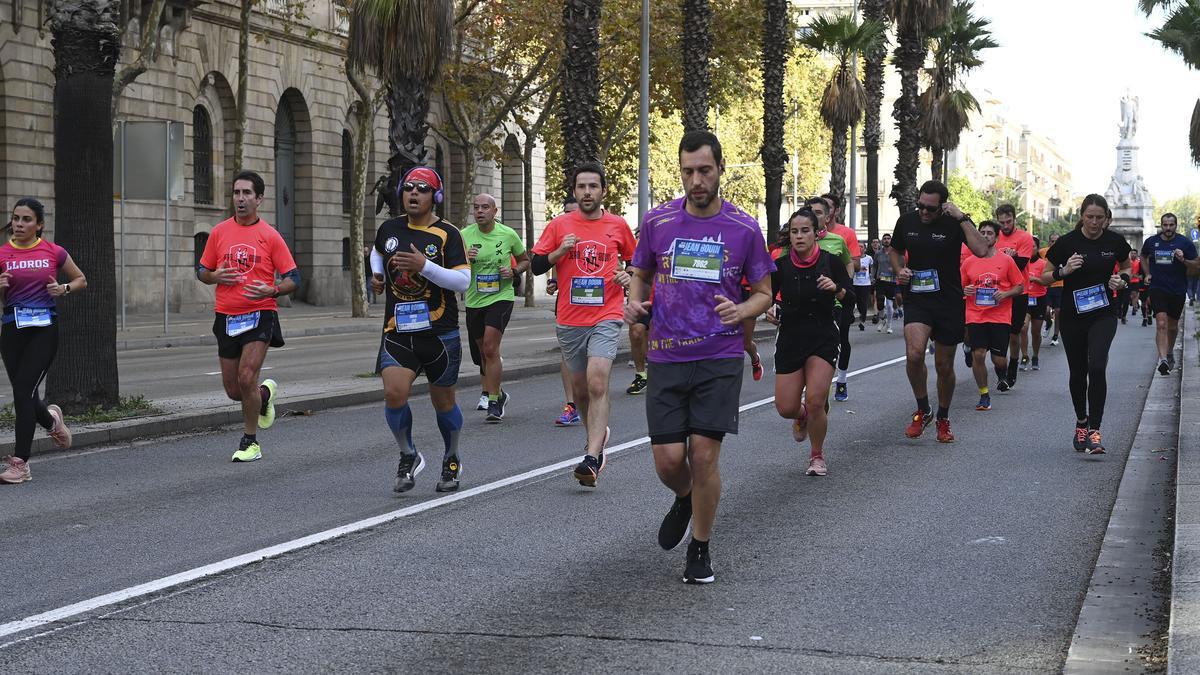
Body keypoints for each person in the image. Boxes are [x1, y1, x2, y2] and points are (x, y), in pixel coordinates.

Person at [626, 130, 774, 584]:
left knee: (705, 456)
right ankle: (687, 496)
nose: (696, 180)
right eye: (688, 171)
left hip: (719, 354)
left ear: (720, 170)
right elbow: (641, 274)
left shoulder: (744, 228)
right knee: (670, 461)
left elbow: (764, 293)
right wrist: (635, 305)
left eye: (704, 171)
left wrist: (742, 308)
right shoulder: (658, 222)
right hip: (667, 354)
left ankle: (700, 547)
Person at [532, 161, 637, 487]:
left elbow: (638, 263)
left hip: (606, 315)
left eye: (593, 186)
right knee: (580, 392)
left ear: (603, 190)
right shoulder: (560, 225)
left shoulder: (617, 225)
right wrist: (558, 252)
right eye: (582, 187)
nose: (587, 192)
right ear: (575, 192)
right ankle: (598, 431)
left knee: (596, 382)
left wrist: (628, 275)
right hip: (569, 320)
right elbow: (535, 265)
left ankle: (592, 457)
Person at [370, 166, 470, 493]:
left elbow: (462, 280)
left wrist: (423, 266)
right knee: (393, 394)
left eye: (422, 189)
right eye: (409, 188)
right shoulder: (389, 228)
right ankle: (408, 454)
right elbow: (376, 251)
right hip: (398, 331)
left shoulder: (448, 234)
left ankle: (451, 458)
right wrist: (378, 276)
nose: (414, 193)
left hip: (439, 333)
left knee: (443, 403)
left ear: (435, 197)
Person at [197, 170, 299, 463]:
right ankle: (264, 396)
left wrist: (274, 289)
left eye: (247, 194)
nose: (240, 199)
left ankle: (250, 441)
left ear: (259, 199)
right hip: (226, 316)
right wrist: (214, 275)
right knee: (234, 390)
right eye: (236, 193)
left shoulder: (270, 236)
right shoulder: (219, 232)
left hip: (260, 313)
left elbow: (294, 277)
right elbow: (202, 271)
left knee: (246, 377)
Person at [888, 180, 988, 443]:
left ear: (943, 206)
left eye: (930, 209)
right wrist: (900, 270)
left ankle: (943, 417)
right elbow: (895, 251)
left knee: (944, 365)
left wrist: (962, 217)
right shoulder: (907, 222)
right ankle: (923, 409)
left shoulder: (954, 223)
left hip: (948, 300)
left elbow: (980, 249)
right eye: (921, 206)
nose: (924, 212)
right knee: (914, 353)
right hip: (918, 298)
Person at [1039, 194, 1132, 455]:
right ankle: (1082, 421)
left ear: (1106, 218)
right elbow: (1042, 277)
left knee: (1098, 365)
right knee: (1078, 371)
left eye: (1099, 218)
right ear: (1082, 216)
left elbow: (1126, 265)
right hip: (1072, 316)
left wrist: (1122, 279)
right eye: (1089, 217)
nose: (1094, 222)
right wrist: (1063, 271)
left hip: (1103, 313)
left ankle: (1095, 430)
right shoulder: (1067, 242)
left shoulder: (1114, 241)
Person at [0, 198, 85, 484]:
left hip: (44, 331)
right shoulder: (2, 253)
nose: (19, 224)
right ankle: (51, 421)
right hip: (13, 330)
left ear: (39, 225)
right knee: (26, 392)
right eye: (16, 218)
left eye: (26, 219)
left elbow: (80, 280)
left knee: (23, 393)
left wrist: (63, 288)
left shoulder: (53, 251)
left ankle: (20, 463)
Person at [770, 207, 851, 476]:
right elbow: (765, 296)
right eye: (794, 231)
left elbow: (853, 296)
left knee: (817, 399)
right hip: (791, 336)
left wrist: (837, 289)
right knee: (786, 408)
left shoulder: (830, 262)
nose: (799, 236)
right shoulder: (780, 266)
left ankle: (817, 456)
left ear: (817, 233)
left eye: (805, 231)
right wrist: (769, 310)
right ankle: (801, 415)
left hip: (822, 335)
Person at [462, 193, 529, 421]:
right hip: (474, 299)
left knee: (491, 348)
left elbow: (525, 260)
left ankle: (493, 402)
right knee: (483, 352)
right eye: (476, 208)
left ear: (494, 211)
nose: (479, 211)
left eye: (484, 207)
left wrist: (514, 271)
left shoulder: (508, 234)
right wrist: (465, 260)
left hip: (501, 296)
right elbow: (451, 266)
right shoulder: (464, 236)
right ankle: (498, 394)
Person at [961, 220, 1025, 412]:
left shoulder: (1006, 261)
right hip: (976, 315)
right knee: (978, 355)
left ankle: (1002, 373)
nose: (986, 236)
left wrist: (1005, 294)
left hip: (1000, 317)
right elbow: (960, 287)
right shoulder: (969, 262)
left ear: (997, 238)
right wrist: (966, 290)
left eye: (990, 233)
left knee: (999, 360)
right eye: (982, 233)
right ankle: (984, 394)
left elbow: (1020, 286)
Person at [805, 197, 854, 401]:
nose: (814, 216)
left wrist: (844, 286)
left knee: (840, 341)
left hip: (835, 304)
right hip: (806, 304)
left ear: (827, 217)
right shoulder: (798, 239)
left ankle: (840, 380)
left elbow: (849, 263)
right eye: (810, 212)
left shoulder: (837, 240)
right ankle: (815, 390)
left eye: (818, 213)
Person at [1141, 212, 1199, 374]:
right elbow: (1143, 256)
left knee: (1172, 327)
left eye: (1171, 225)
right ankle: (1163, 360)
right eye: (1165, 225)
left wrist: (1183, 260)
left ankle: (1169, 352)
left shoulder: (1184, 243)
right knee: (1161, 324)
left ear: (1175, 225)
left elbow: (1196, 265)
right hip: (1157, 287)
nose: (1168, 228)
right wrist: (1147, 274)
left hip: (1178, 289)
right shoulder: (1152, 242)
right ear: (1161, 225)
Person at [820, 194, 862, 400]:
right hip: (816, 299)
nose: (822, 212)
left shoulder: (845, 234)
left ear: (834, 211)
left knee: (841, 339)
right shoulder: (808, 233)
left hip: (841, 296)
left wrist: (843, 282)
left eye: (826, 208)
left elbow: (855, 263)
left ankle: (842, 380)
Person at [547, 197, 583, 425]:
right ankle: (571, 405)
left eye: (573, 212)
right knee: (567, 352)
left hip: (598, 303)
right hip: (568, 300)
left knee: (591, 358)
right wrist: (553, 281)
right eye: (566, 212)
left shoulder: (600, 228)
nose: (569, 216)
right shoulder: (560, 231)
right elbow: (553, 261)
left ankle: (590, 397)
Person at [993, 204, 1035, 387]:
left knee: (1013, 333)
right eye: (1001, 222)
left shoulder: (1024, 237)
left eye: (1008, 221)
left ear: (1014, 219)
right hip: (997, 291)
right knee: (997, 332)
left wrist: (1007, 260)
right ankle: (1001, 373)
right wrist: (1009, 258)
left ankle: (1013, 363)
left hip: (1019, 291)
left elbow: (1020, 265)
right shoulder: (994, 236)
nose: (1005, 225)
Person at [1022, 239, 1049, 371]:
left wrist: (1035, 279)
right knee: (1023, 328)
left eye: (1033, 246)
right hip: (1025, 299)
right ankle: (1024, 356)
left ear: (1038, 248)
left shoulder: (1043, 264)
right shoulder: (1021, 263)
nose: (1030, 249)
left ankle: (1035, 356)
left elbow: (1047, 283)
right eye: (1028, 246)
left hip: (1039, 299)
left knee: (1036, 332)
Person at [1040, 233, 1063, 345]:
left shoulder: (1065, 252)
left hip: (1060, 286)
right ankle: (1048, 322)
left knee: (1058, 312)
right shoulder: (1042, 252)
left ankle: (1055, 336)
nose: (1054, 243)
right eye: (1052, 241)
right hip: (1047, 285)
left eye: (1056, 241)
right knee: (1046, 310)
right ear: (1049, 242)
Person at [853, 247, 874, 330]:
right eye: (858, 246)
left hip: (866, 283)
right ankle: (861, 314)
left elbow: (872, 267)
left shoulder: (869, 258)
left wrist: (872, 277)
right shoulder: (854, 258)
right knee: (858, 302)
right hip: (855, 283)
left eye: (861, 247)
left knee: (864, 301)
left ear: (865, 249)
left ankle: (862, 320)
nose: (859, 248)